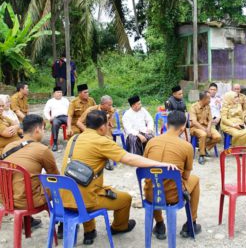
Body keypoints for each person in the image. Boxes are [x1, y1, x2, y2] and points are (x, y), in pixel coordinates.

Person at [60, 110, 177, 245]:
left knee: (87, 187)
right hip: (85, 201)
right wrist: (160, 164)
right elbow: (129, 159)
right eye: (108, 124)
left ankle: (90, 231)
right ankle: (119, 227)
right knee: (125, 199)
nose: (110, 126)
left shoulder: (74, 139)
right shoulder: (101, 141)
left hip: (64, 198)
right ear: (103, 127)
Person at [144, 111, 201, 240]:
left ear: (167, 124)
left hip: (150, 195)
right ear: (182, 127)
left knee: (155, 181)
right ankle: (191, 223)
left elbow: (144, 166)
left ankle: (159, 225)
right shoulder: (187, 146)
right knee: (195, 180)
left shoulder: (151, 142)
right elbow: (186, 177)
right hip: (173, 196)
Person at [1, 114, 59, 228]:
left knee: (22, 177)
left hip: (6, 199)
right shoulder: (42, 150)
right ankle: (63, 223)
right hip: (28, 201)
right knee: (63, 184)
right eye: (43, 129)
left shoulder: (9, 146)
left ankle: (27, 221)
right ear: (38, 129)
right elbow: (55, 177)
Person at [190, 91, 221, 165]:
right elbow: (194, 122)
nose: (210, 100)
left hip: (206, 126)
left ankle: (203, 148)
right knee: (203, 134)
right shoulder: (193, 107)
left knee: (218, 137)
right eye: (208, 98)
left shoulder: (208, 106)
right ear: (203, 99)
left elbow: (210, 120)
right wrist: (204, 130)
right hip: (195, 127)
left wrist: (209, 129)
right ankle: (202, 155)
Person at [43, 87, 70, 152]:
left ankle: (72, 140)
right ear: (54, 94)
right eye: (57, 92)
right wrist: (50, 118)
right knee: (55, 124)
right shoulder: (50, 101)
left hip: (65, 117)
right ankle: (55, 143)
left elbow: (70, 109)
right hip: (56, 118)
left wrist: (70, 116)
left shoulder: (65, 100)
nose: (59, 94)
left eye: (60, 92)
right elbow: (45, 111)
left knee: (72, 123)